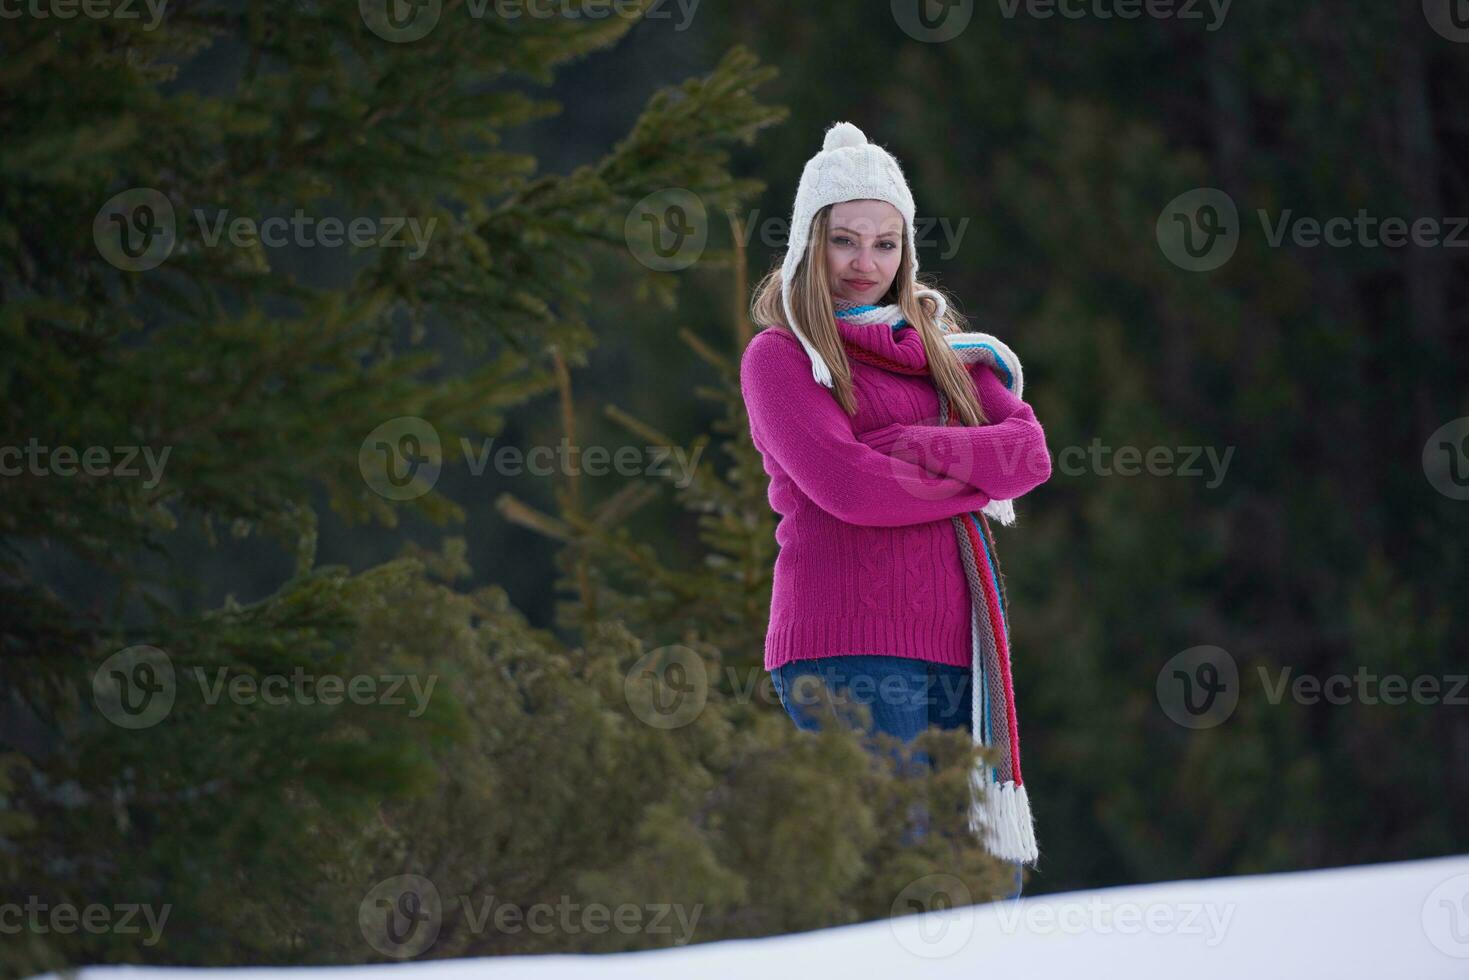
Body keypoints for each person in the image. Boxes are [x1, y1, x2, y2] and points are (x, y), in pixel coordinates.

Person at [739, 121, 1053, 902]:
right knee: (897, 880)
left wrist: (908, 443)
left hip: (959, 649)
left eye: (884, 244)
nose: (863, 265)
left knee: (981, 885)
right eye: (844, 241)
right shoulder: (782, 357)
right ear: (810, 244)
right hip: (847, 647)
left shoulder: (943, 350)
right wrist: (969, 471)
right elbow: (850, 489)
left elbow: (1028, 454)